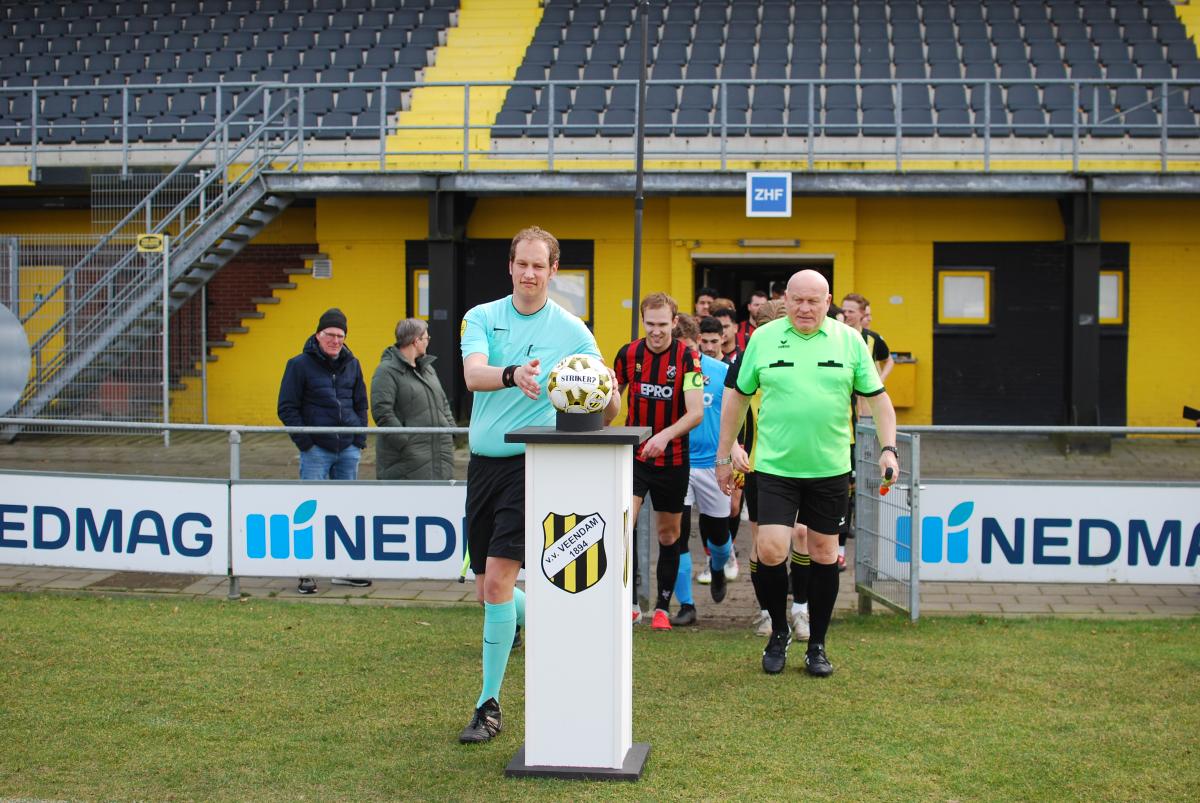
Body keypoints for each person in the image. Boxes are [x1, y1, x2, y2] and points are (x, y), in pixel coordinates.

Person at [457, 226, 619, 744]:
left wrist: (605, 390)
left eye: (539, 265)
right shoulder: (481, 317)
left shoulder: (572, 330)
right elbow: (473, 375)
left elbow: (608, 405)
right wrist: (514, 375)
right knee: (487, 591)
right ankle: (557, 619)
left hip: (531, 466)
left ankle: (487, 706)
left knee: (498, 585)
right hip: (482, 466)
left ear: (554, 270)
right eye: (522, 264)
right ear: (510, 266)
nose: (530, 273)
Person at [716, 270, 899, 677]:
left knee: (823, 553)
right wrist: (724, 453)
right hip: (774, 467)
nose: (804, 308)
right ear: (786, 299)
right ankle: (778, 632)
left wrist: (889, 449)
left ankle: (817, 645)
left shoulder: (849, 340)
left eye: (813, 301)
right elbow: (737, 399)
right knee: (771, 550)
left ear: (827, 301)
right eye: (797, 299)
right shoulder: (763, 339)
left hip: (829, 469)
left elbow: (879, 402)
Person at [614, 292, 703, 631]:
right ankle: (630, 603)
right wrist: (601, 396)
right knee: (624, 525)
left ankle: (663, 608)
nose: (655, 331)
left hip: (673, 459)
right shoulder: (628, 354)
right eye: (650, 324)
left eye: (662, 324)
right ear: (642, 321)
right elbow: (611, 404)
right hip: (635, 457)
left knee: (668, 535)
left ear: (674, 322)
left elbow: (695, 412)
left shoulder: (688, 358)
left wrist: (664, 436)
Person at [277, 308, 371, 595]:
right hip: (316, 450)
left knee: (344, 512)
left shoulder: (352, 364)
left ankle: (344, 570)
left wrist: (359, 439)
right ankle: (308, 572)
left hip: (348, 449)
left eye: (340, 336)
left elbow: (360, 403)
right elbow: (287, 407)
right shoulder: (298, 365)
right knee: (310, 511)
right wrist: (306, 443)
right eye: (330, 334)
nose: (335, 340)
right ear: (318, 334)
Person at [669, 315, 733, 627]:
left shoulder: (721, 372)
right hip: (678, 462)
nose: (685, 355)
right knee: (677, 536)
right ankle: (687, 604)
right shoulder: (669, 374)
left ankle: (718, 567)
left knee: (719, 536)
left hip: (712, 465)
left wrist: (735, 450)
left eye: (690, 349)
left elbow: (737, 415)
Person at [839, 293, 895, 570]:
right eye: (845, 310)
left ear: (863, 314)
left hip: (866, 410)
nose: (847, 314)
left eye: (852, 311)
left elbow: (888, 360)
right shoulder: (837, 336)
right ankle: (846, 521)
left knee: (860, 466)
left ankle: (854, 515)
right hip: (848, 410)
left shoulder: (871, 339)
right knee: (848, 472)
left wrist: (878, 380)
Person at [371, 317, 455, 481]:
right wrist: (405, 442)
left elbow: (443, 403)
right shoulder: (386, 371)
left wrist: (450, 431)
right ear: (416, 341)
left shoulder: (428, 369)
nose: (428, 342)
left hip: (440, 455)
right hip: (407, 460)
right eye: (426, 338)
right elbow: (382, 412)